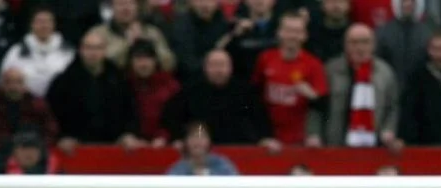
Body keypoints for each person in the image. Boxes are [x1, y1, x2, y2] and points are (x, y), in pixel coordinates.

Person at [45, 29, 141, 153]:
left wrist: (129, 134)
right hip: (75, 148)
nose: (93, 53)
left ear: (105, 50)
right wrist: (62, 137)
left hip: (115, 147)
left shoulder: (119, 78)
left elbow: (130, 109)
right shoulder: (64, 80)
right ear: (80, 50)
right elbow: (51, 114)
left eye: (97, 48)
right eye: (88, 48)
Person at [309, 23, 400, 150]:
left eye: (365, 42)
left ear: (373, 45)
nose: (360, 47)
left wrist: (388, 130)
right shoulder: (330, 71)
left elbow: (392, 107)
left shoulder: (384, 72)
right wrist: (314, 134)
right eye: (354, 42)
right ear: (345, 45)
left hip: (374, 146)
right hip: (336, 145)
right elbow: (317, 108)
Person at [160, 49, 274, 146]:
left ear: (231, 67)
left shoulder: (245, 92)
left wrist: (264, 139)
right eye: (214, 65)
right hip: (200, 151)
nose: (219, 70)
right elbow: (171, 118)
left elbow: (260, 120)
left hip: (238, 149)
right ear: (205, 67)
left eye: (223, 65)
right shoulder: (191, 91)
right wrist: (178, 138)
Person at [252, 11, 327, 146]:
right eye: (288, 30)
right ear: (279, 33)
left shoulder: (314, 64)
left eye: (297, 31)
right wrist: (262, 136)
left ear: (305, 35)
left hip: (302, 141)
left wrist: (312, 96)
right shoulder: (265, 59)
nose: (292, 36)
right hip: (270, 140)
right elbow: (255, 97)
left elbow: (323, 104)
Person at [0, 5, 74, 99]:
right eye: (39, 21)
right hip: (27, 104)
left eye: (48, 21)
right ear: (31, 24)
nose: (44, 26)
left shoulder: (67, 52)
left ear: (54, 24)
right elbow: (2, 81)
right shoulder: (16, 52)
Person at [0, 66, 59, 147]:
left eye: (19, 82)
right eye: (8, 82)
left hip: (31, 150)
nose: (13, 87)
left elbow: (51, 131)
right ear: (1, 84)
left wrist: (35, 144)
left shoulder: (38, 104)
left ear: (25, 85)